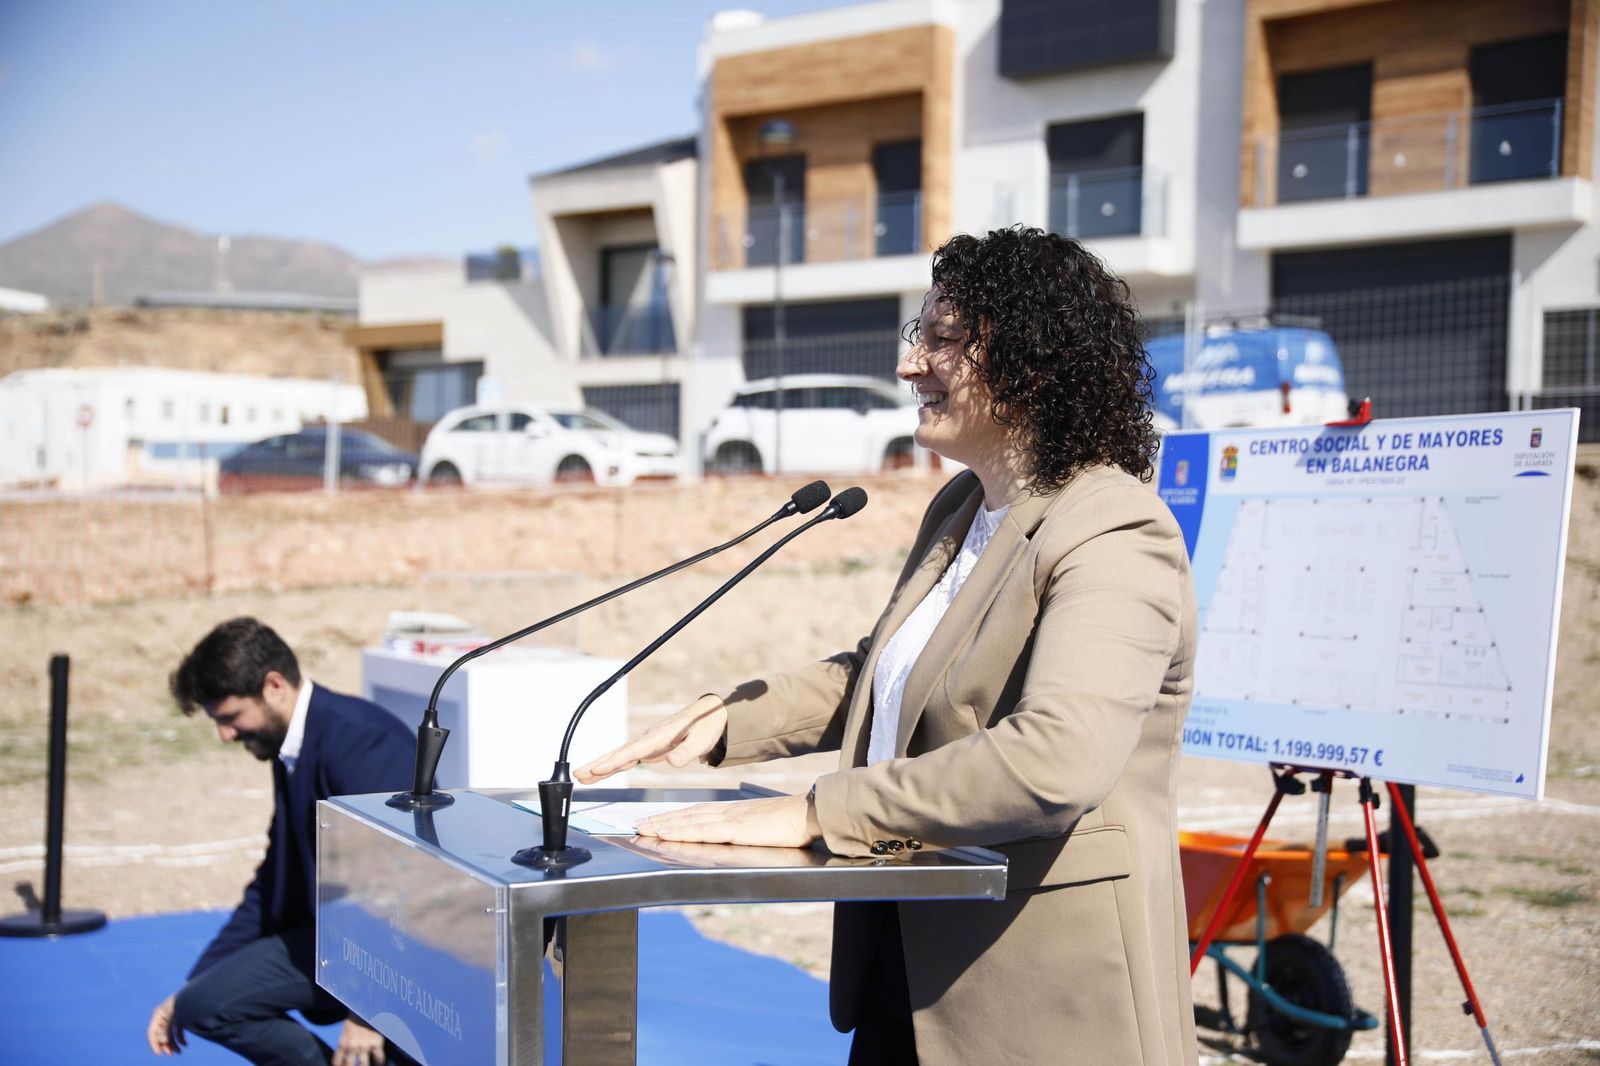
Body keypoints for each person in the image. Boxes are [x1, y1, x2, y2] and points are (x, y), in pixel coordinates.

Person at [578, 227, 1198, 1065]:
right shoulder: (962, 509)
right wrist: (731, 721)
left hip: (1034, 1001)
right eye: (921, 338)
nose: (911, 366)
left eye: (943, 341)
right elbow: (890, 670)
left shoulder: (1115, 530)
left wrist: (816, 813)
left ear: (1033, 363)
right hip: (902, 973)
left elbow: (1058, 760)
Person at [147, 617, 418, 1066]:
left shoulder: (361, 742)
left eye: (230, 718)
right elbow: (276, 876)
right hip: (333, 940)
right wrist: (192, 988)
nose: (225, 735)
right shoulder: (293, 743)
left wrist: (367, 1012)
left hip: (395, 954)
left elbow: (398, 884)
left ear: (274, 685)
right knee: (205, 1005)